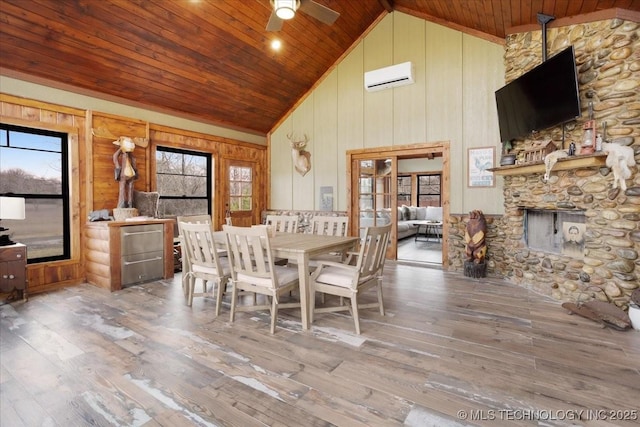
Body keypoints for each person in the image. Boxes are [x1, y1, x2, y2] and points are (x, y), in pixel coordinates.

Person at [113, 137, 138, 208]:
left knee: (123, 187)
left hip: (124, 173)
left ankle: (124, 203)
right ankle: (130, 203)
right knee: (129, 188)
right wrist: (135, 169)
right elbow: (134, 160)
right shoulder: (129, 154)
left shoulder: (124, 152)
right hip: (131, 172)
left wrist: (118, 168)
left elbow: (115, 157)